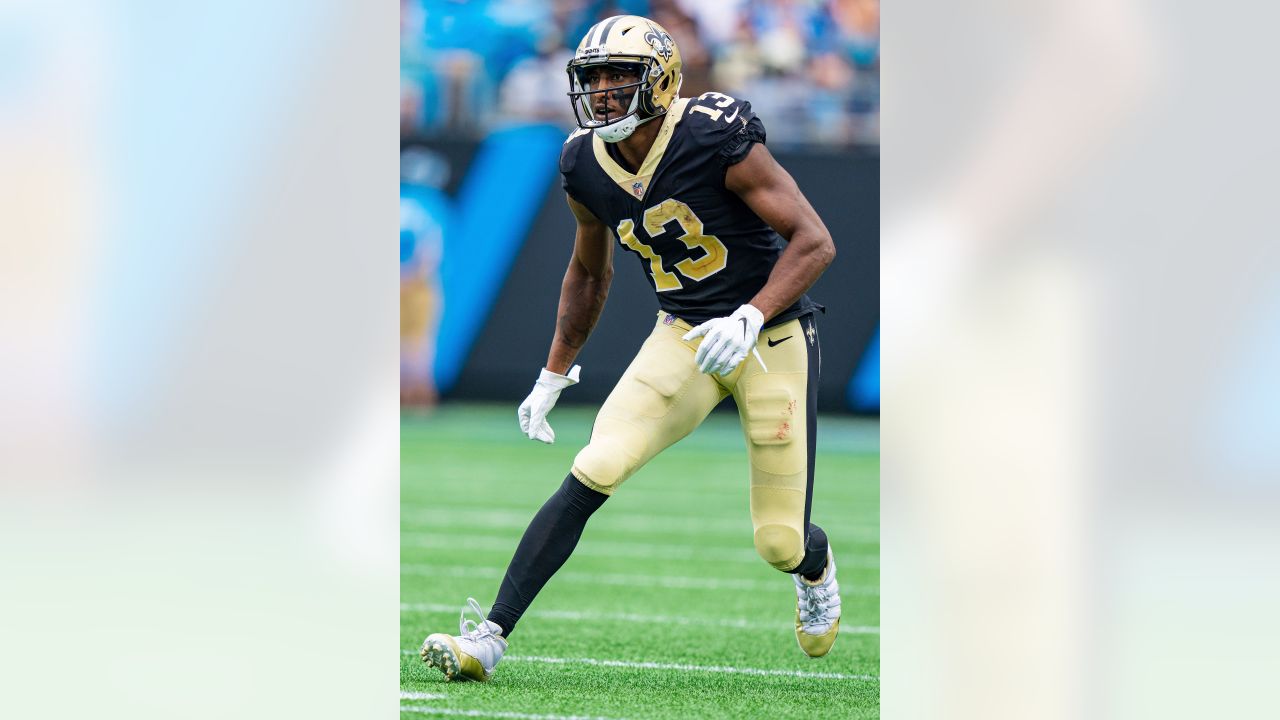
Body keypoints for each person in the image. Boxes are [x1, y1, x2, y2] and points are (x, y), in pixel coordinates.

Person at [419, 15, 841, 682]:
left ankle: (814, 568)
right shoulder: (582, 160)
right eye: (594, 77)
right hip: (682, 332)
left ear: (662, 79)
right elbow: (589, 271)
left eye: (622, 74)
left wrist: (751, 316)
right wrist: (553, 371)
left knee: (780, 541)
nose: (606, 90)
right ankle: (490, 635)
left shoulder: (712, 131)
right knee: (599, 463)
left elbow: (814, 239)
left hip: (773, 336)